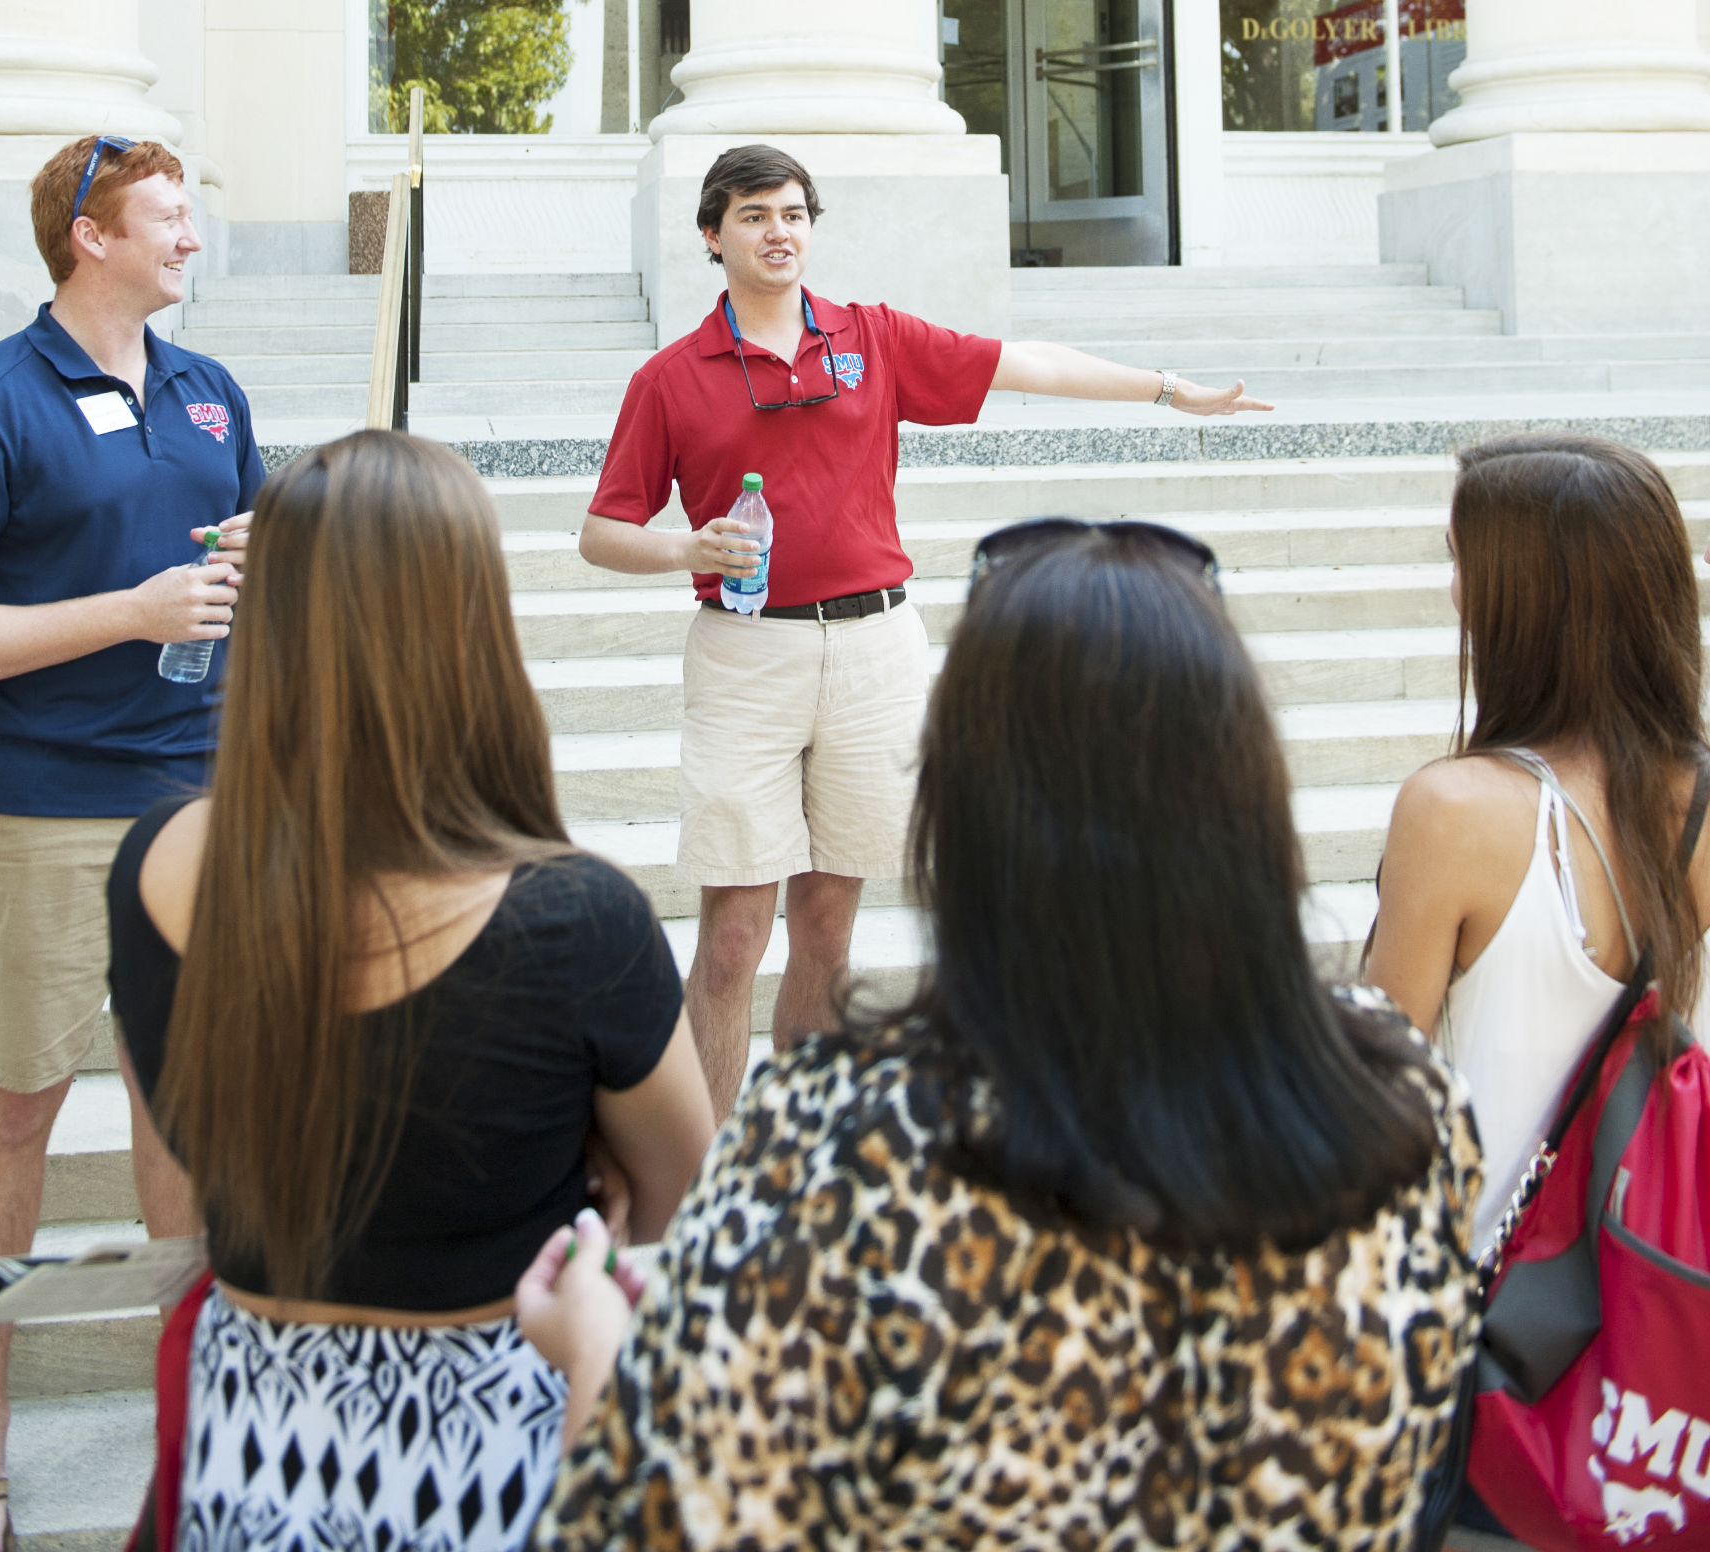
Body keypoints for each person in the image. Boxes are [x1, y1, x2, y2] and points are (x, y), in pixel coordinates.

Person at [516, 518, 1484, 1549]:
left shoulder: (829, 1141)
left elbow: (646, 1523)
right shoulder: (1406, 1104)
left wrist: (600, 1347)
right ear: (1245, 792)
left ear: (959, 804)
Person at [109, 431, 718, 1552]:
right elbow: (678, 1193)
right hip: (491, 1429)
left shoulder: (152, 862)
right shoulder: (576, 919)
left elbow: (178, 1127)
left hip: (244, 1423)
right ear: (470, 619)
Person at [581, 143, 1274, 1116]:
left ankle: (802, 1145)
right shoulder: (670, 376)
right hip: (745, 654)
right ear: (711, 233)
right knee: (732, 933)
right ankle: (698, 1175)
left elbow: (1023, 362)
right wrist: (685, 548)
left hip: (873, 651)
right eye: (752, 215)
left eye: (792, 213)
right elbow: (601, 532)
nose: (777, 231)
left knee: (827, 924)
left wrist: (1166, 388)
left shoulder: (871, 334)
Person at [0, 136, 260, 1552]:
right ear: (88, 238)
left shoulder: (211, 395)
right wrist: (128, 614)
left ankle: (191, 1420)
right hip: (34, 808)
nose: (193, 239)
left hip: (198, 804)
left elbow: (238, 568)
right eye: (169, 218)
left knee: (180, 1112)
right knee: (19, 1106)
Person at [1366, 433, 1710, 1251]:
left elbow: (1374, 1097)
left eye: (1461, 562)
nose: (1454, 591)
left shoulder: (1453, 810)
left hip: (1488, 1318)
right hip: (1647, 1292)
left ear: (1518, 596)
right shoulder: (1696, 799)